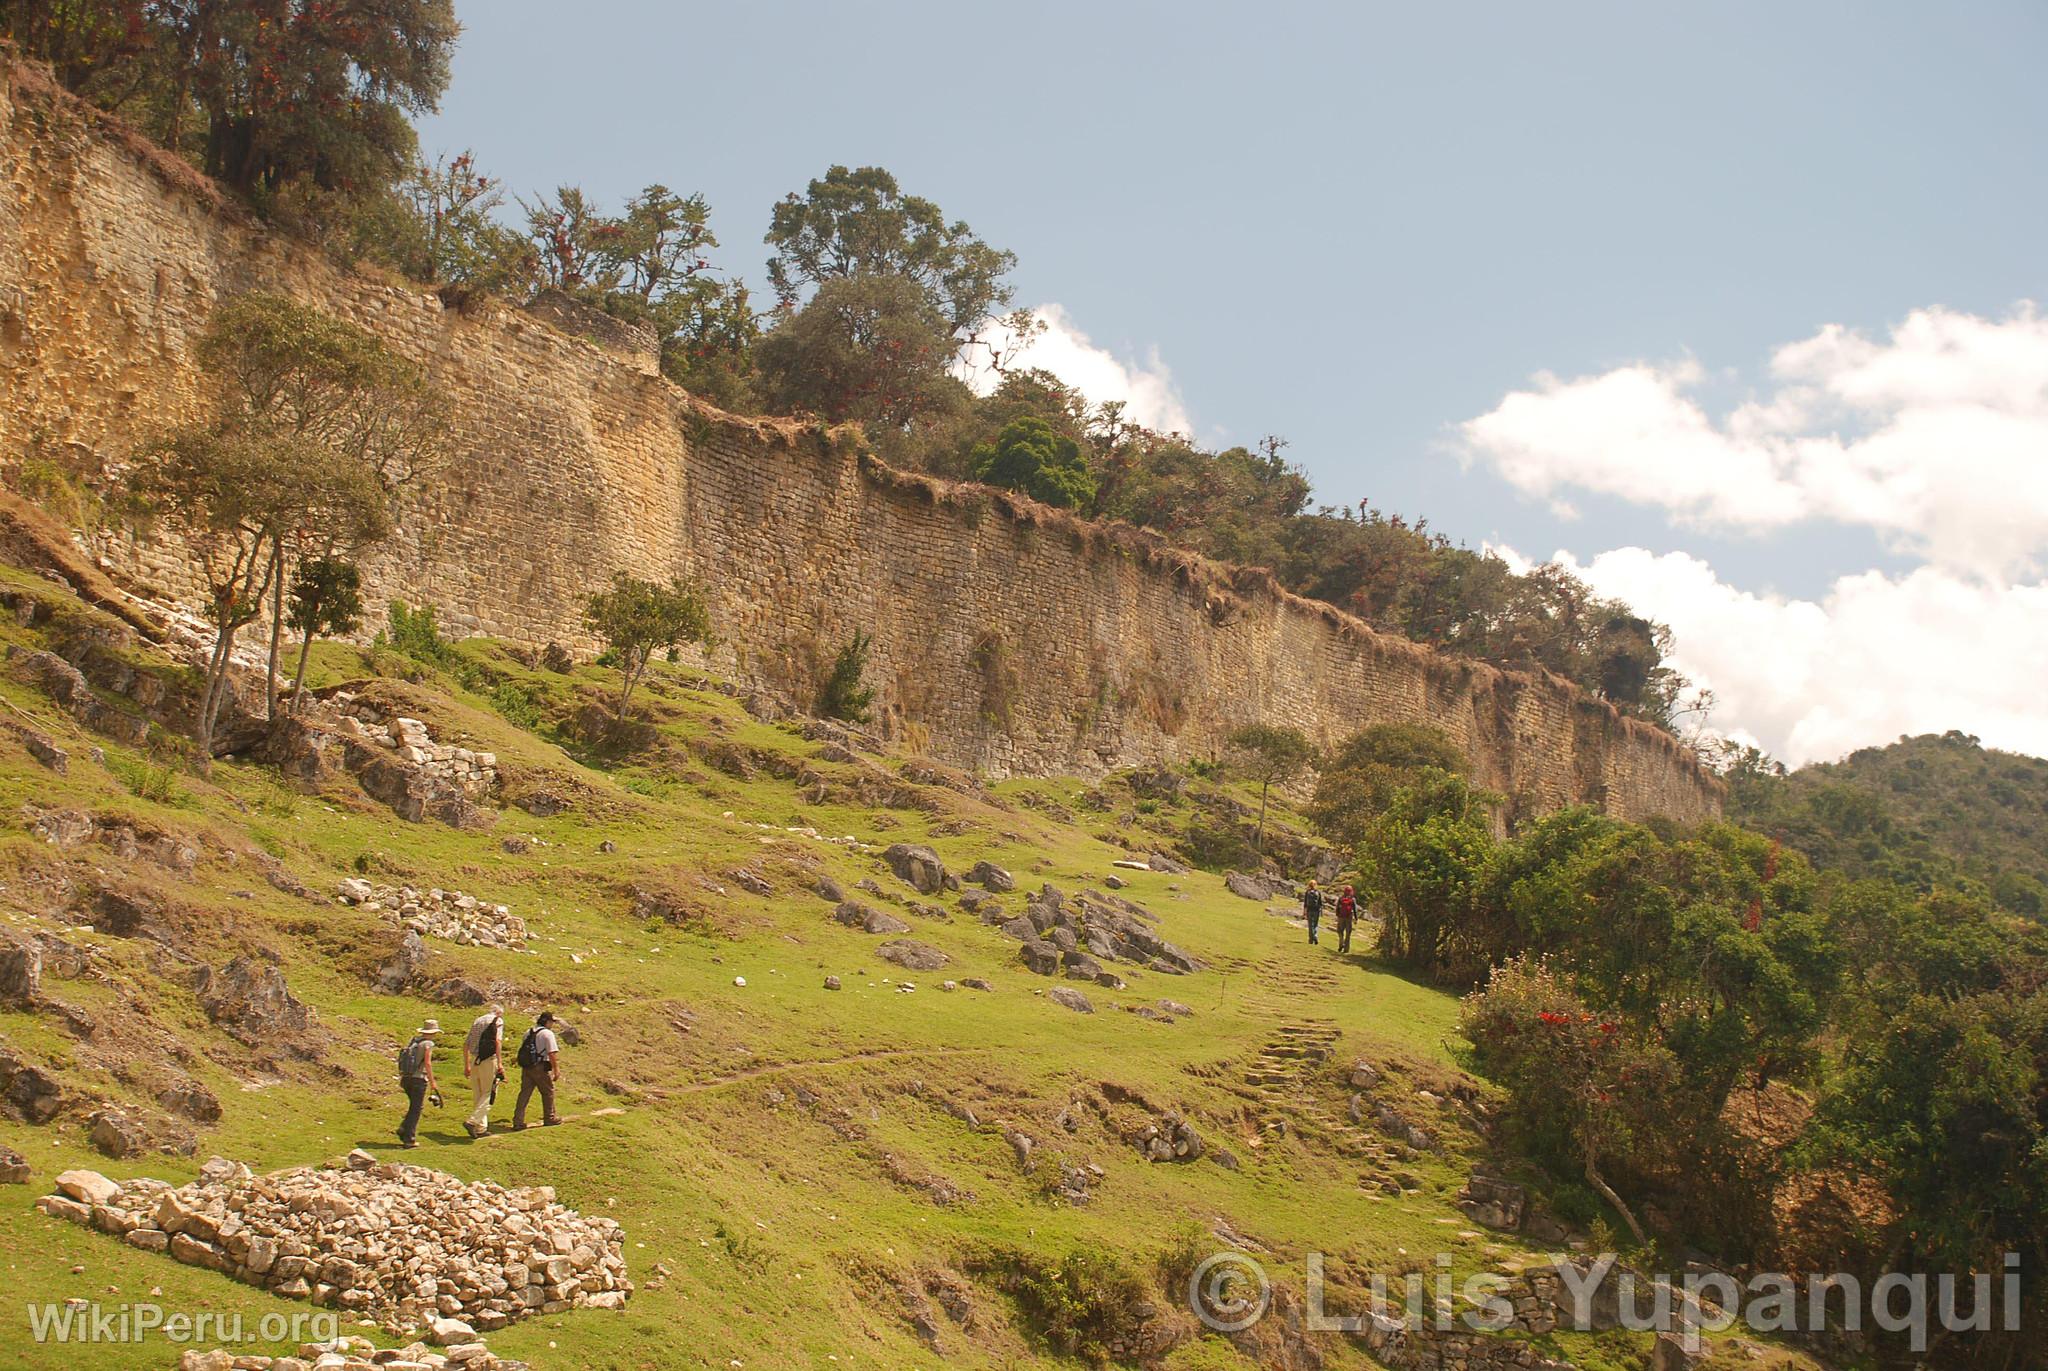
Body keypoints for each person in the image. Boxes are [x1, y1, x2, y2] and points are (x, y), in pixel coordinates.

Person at [512, 1011, 563, 1130]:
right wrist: (556, 1069)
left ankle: (518, 1121)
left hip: (527, 1066)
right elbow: (552, 1053)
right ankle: (549, 1117)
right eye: (551, 1022)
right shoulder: (547, 1034)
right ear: (547, 1021)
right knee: (548, 1092)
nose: (552, 1024)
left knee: (524, 1093)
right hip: (540, 1066)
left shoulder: (528, 1032)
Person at [462, 1004, 507, 1138]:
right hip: (488, 1060)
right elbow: (498, 1042)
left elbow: (466, 1044)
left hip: (475, 1059)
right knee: (489, 1093)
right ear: (499, 1014)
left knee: (478, 1093)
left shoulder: (478, 1020)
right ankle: (472, 1121)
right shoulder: (497, 1021)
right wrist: (500, 1063)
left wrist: (467, 1065)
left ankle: (481, 1128)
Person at [397, 1019, 442, 1149]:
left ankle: (404, 1129)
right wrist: (433, 1082)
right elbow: (427, 1063)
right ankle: (409, 1138)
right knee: (416, 1109)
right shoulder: (428, 1043)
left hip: (406, 1078)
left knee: (414, 1107)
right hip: (418, 1079)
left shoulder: (415, 1042)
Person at [1334, 884, 1358, 954]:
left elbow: (1337, 907)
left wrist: (1337, 915)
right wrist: (1356, 918)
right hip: (1349, 917)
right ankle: (1346, 949)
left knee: (1339, 931)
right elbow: (1355, 909)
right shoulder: (1353, 899)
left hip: (1341, 917)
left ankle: (1341, 943)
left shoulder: (1341, 898)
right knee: (1348, 933)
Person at [1302, 880, 1324, 945]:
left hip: (1309, 910)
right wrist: (1321, 912)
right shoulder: (1318, 892)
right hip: (1316, 910)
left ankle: (1311, 939)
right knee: (1315, 924)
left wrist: (1304, 912)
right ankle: (1315, 936)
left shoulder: (1307, 892)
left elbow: (1305, 903)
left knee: (1310, 925)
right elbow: (1320, 903)